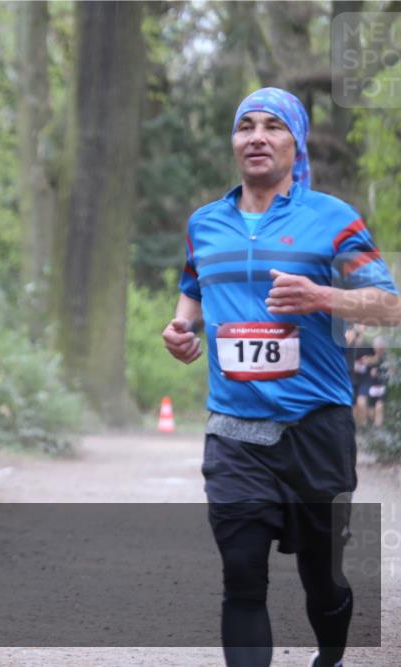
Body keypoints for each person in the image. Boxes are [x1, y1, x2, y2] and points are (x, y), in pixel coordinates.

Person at [161, 87, 400, 667]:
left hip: (316, 427)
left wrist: (323, 297)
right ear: (235, 142)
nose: (257, 137)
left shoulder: (333, 218)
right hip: (234, 431)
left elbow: (389, 304)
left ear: (296, 143)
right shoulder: (205, 223)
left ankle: (331, 654)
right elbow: (193, 287)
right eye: (246, 126)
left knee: (323, 576)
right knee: (242, 575)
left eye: (273, 127)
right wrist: (180, 328)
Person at [357, 336, 390, 429]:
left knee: (379, 406)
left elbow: (389, 372)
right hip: (370, 385)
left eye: (381, 347)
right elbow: (361, 367)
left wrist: (384, 372)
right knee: (371, 410)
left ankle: (378, 428)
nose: (379, 349)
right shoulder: (368, 357)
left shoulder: (387, 358)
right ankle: (371, 425)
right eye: (377, 347)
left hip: (382, 385)